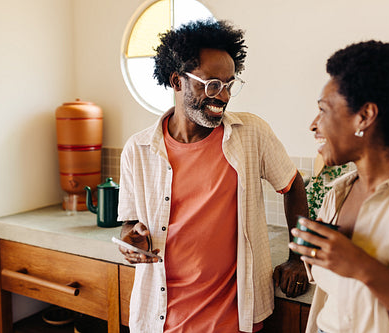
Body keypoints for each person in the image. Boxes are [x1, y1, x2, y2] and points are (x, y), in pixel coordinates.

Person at [117, 19, 309, 332]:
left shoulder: (250, 133)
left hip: (234, 319)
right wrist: (130, 240)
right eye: (211, 85)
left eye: (229, 84)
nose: (222, 96)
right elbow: (130, 223)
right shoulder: (137, 149)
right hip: (160, 318)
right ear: (177, 82)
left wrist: (298, 256)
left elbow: (292, 183)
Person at [288, 40, 389, 332]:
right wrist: (313, 252)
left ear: (365, 116)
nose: (314, 125)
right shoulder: (336, 195)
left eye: (323, 110)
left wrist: (363, 267)